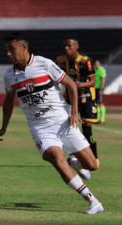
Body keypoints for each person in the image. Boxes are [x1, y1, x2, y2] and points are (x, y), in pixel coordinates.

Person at [0, 32, 103, 214]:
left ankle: (75, 162)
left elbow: (71, 85)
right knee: (56, 159)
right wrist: (3, 128)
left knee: (92, 165)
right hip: (40, 128)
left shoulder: (45, 64)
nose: (8, 54)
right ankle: (93, 202)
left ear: (23, 47)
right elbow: (8, 100)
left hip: (63, 121)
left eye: (11, 50)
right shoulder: (9, 76)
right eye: (7, 51)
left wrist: (74, 111)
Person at [54, 39, 100, 167]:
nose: (66, 48)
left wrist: (80, 84)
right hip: (69, 98)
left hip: (86, 97)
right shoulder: (59, 60)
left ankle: (95, 158)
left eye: (69, 46)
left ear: (76, 47)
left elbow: (93, 82)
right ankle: (74, 159)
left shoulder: (86, 61)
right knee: (70, 129)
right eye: (65, 46)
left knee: (87, 129)